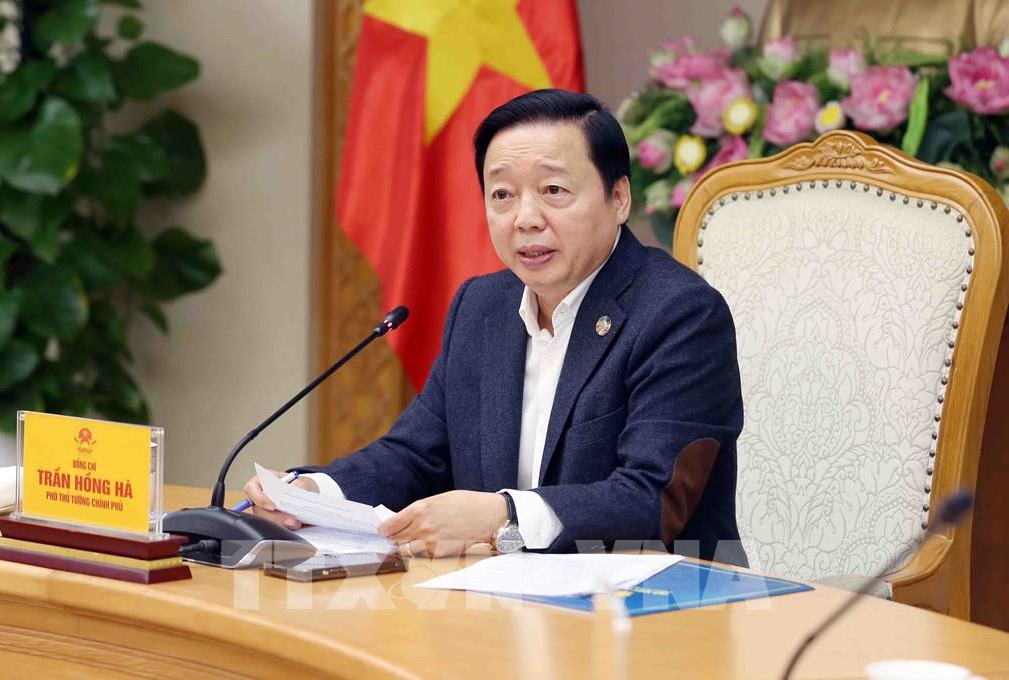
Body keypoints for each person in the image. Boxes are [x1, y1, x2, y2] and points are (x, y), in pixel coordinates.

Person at [244, 89, 747, 565]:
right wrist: (310, 494)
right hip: (505, 598)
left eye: (553, 190)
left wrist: (501, 514)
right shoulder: (482, 306)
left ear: (618, 198)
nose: (525, 219)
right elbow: (416, 456)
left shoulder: (679, 313)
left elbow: (651, 500)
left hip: (661, 605)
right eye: (502, 194)